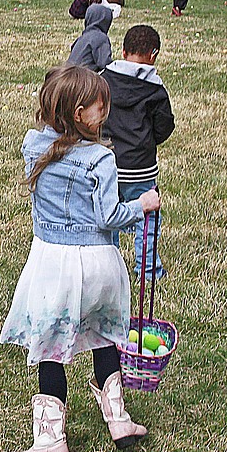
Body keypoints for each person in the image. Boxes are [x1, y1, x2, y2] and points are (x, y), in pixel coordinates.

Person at [1, 66, 160, 452]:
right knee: (104, 335)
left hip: (54, 264)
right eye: (99, 105)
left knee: (53, 346)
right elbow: (109, 217)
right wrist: (142, 205)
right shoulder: (101, 157)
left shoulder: (33, 146)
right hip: (99, 264)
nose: (105, 111)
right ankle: (118, 418)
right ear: (78, 113)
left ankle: (51, 438)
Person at [101, 24, 175, 279]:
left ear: (123, 51)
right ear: (153, 55)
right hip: (140, 167)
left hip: (107, 162)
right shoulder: (155, 90)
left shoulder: (104, 80)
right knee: (147, 216)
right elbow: (164, 127)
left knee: (109, 214)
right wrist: (148, 141)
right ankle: (148, 268)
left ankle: (109, 267)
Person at [67, 3, 113, 71]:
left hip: (68, 75)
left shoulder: (82, 38)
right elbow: (104, 64)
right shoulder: (100, 38)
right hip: (82, 77)